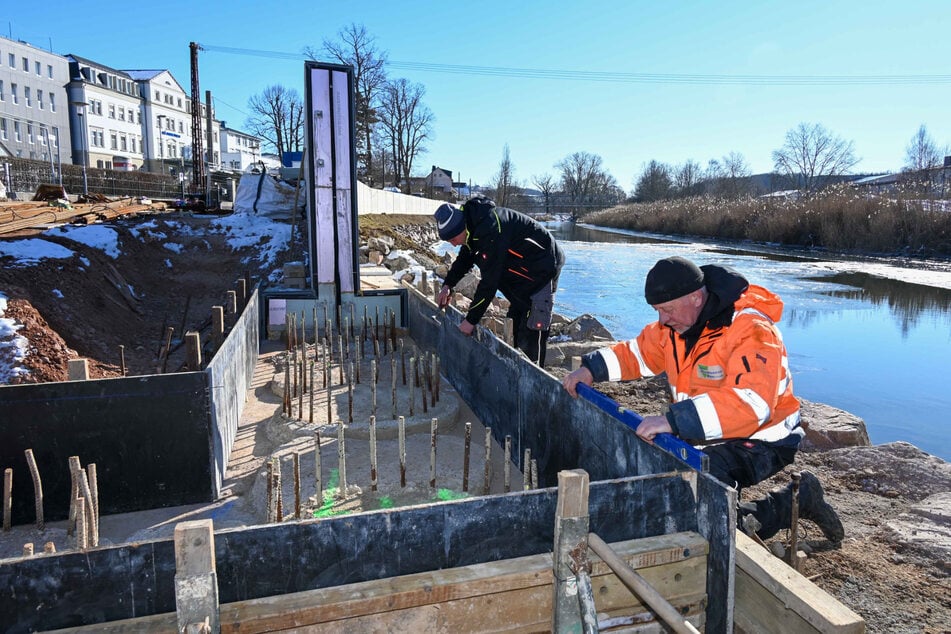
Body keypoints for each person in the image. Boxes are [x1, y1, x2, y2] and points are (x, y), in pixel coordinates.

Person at [561, 256, 844, 544]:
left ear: (696, 298)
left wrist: (673, 421)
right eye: (658, 311)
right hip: (707, 434)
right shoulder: (674, 328)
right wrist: (590, 369)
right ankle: (734, 515)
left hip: (765, 439)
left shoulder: (751, 329)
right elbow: (636, 354)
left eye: (667, 310)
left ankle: (797, 500)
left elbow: (751, 404)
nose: (662, 319)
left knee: (708, 505)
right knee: (697, 495)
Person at [435, 195, 565, 367]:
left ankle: (535, 373)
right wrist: (448, 285)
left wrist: (471, 320)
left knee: (533, 326)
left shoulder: (490, 230)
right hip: (519, 268)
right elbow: (464, 259)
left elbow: (490, 282)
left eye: (453, 239)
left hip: (543, 265)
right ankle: (516, 366)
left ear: (461, 227)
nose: (453, 245)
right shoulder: (472, 227)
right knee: (517, 318)